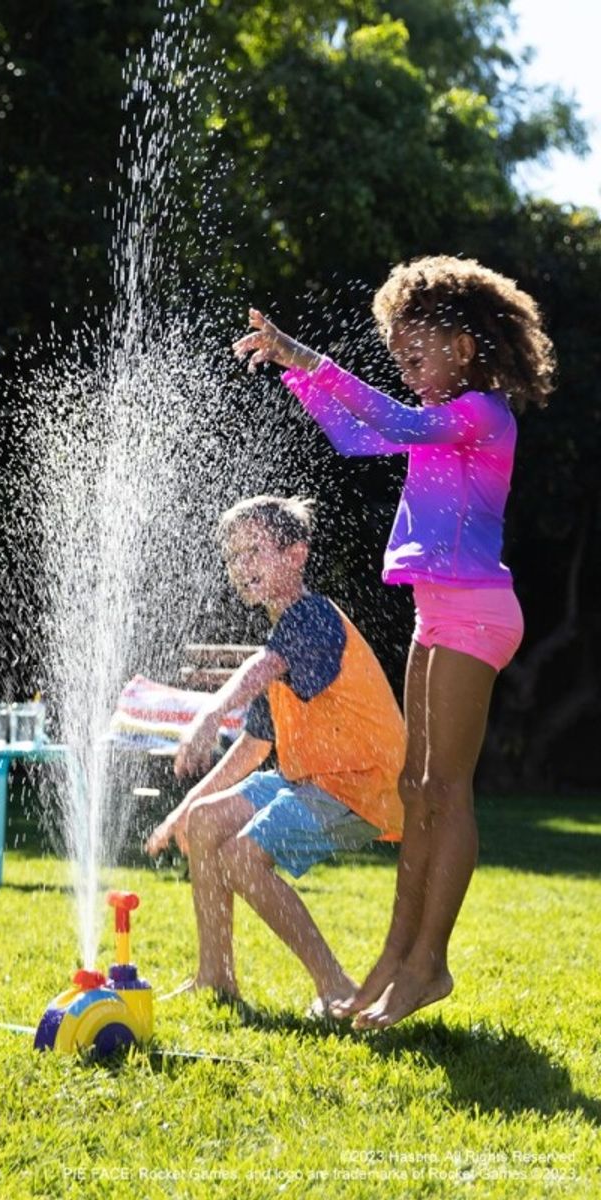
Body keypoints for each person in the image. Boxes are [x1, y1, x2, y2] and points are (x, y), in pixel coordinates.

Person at [233, 255, 555, 1028]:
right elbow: (355, 435)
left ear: (464, 347)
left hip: (476, 614)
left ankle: (427, 965)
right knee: (415, 790)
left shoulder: (480, 415)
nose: (405, 368)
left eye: (416, 353)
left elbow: (397, 421)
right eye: (398, 356)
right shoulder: (441, 425)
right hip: (434, 615)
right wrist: (295, 372)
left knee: (446, 790)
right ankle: (394, 959)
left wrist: (309, 354)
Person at [145, 496, 405, 1016]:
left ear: (296, 555)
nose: (242, 566)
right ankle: (215, 978)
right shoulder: (284, 637)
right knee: (205, 820)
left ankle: (336, 986)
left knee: (242, 857)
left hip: (360, 786)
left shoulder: (312, 617)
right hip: (312, 781)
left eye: (255, 551)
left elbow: (260, 667)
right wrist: (181, 810)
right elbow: (254, 747)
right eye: (234, 556)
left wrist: (210, 713)